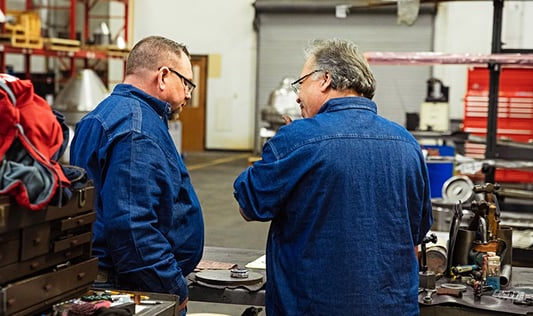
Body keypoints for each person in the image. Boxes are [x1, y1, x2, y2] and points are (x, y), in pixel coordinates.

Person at [233, 38, 433, 315]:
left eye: (300, 83)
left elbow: (248, 205)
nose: (297, 95)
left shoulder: (298, 138)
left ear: (325, 80)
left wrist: (281, 147)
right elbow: (416, 232)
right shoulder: (407, 144)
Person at [70, 35, 204, 315]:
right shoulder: (137, 129)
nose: (189, 94)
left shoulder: (101, 115)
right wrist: (172, 287)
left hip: (103, 274)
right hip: (130, 286)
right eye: (187, 83)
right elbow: (133, 228)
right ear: (164, 76)